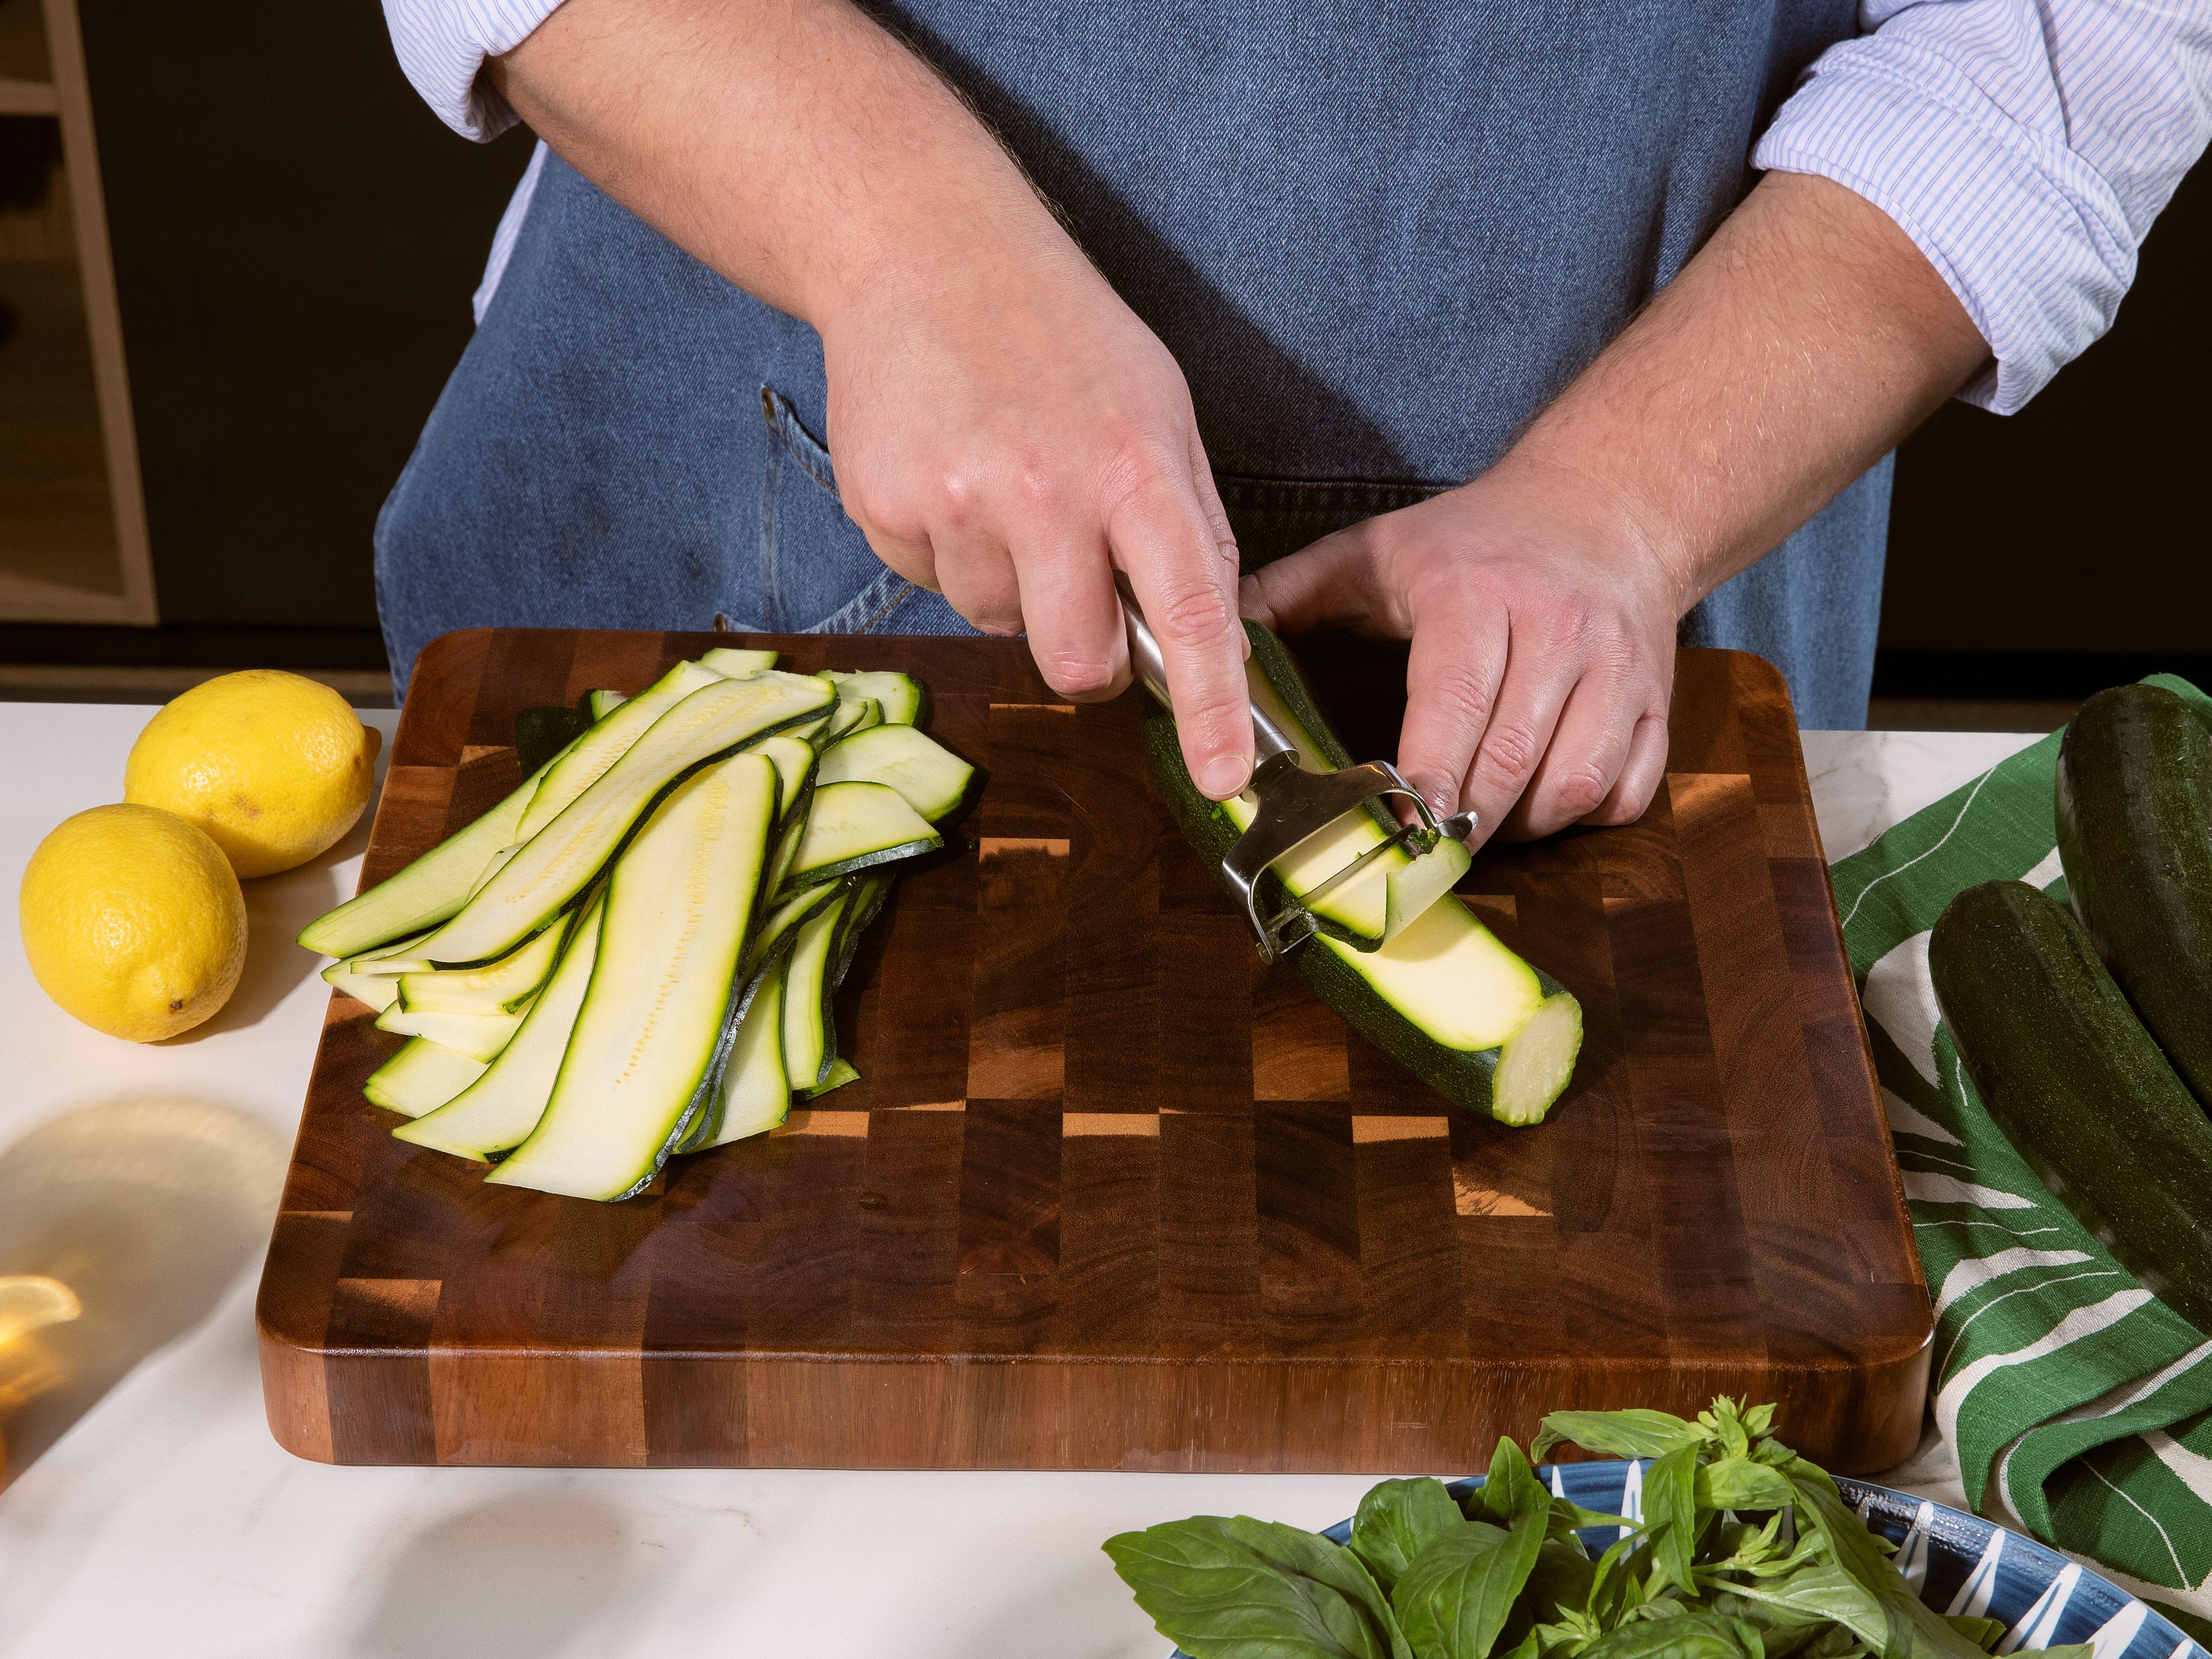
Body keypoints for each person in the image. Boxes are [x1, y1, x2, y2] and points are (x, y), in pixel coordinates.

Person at [376, 0, 2211, 844]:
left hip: (1627, 591)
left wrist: (1623, 507)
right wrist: (902, 243)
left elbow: (2064, 50)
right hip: (717, 475)